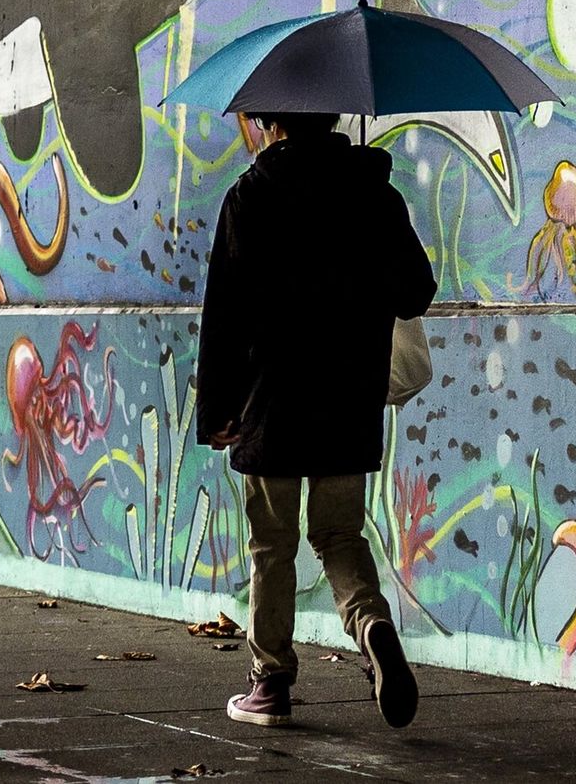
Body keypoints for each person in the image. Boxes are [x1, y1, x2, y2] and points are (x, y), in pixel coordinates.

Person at [196, 110, 438, 730]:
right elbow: (416, 291)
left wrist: (217, 411)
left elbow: (223, 314)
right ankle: (373, 627)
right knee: (340, 539)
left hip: (269, 406)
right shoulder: (374, 194)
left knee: (271, 546)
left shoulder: (249, 197)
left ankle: (270, 683)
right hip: (345, 404)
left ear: (268, 121)